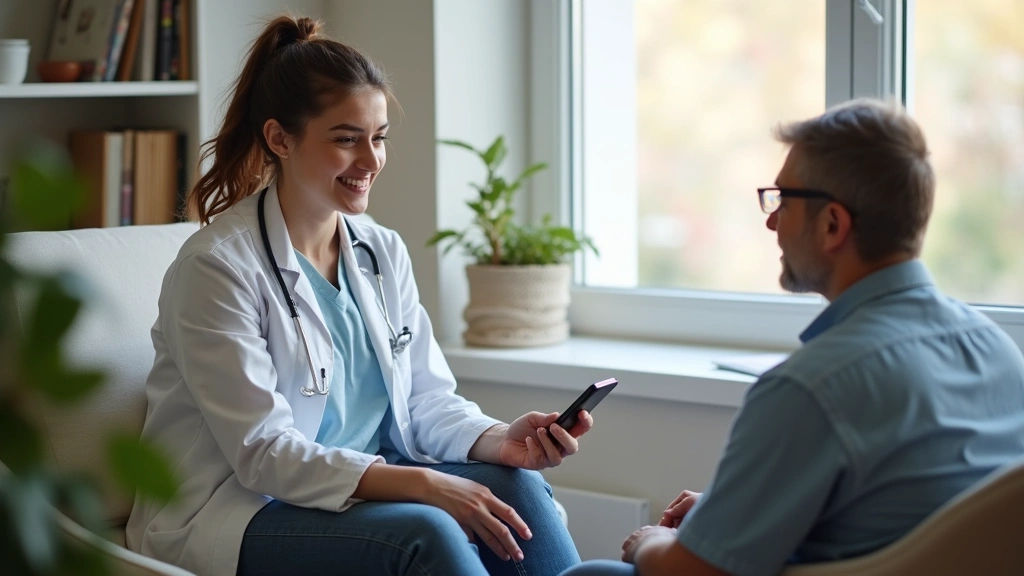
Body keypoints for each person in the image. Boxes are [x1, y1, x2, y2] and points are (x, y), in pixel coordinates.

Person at [125, 16, 587, 576]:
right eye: (347, 139)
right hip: (242, 509)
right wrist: (425, 485)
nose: (371, 161)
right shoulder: (216, 268)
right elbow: (264, 453)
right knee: (428, 529)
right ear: (280, 139)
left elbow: (426, 400)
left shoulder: (379, 249)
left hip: (361, 487)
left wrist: (499, 440)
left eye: (379, 137)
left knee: (520, 487)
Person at [561, 98, 1024, 576]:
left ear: (832, 225)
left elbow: (695, 573)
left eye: (781, 199)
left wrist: (652, 542)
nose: (771, 221)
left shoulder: (811, 388)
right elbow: (904, 516)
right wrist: (731, 514)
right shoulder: (998, 353)